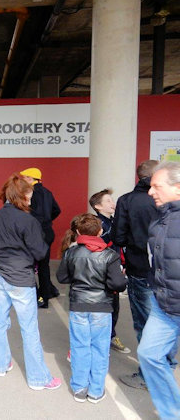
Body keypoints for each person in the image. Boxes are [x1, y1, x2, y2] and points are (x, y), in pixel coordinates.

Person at [0, 173, 61, 391]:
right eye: (29, 195)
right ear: (20, 196)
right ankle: (39, 378)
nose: (31, 200)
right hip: (21, 277)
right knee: (29, 329)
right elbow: (40, 251)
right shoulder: (28, 221)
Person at [57, 213, 127, 403]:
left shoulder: (71, 253)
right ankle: (96, 391)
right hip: (102, 307)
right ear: (101, 231)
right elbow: (118, 284)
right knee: (100, 348)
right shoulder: (109, 255)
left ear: (78, 231)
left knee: (80, 346)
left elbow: (62, 278)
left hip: (78, 305)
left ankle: (79, 388)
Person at [112, 160, 165, 390]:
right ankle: (162, 366)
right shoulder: (169, 200)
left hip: (139, 268)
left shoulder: (127, 200)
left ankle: (148, 376)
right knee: (166, 321)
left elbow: (119, 236)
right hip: (168, 272)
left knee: (145, 323)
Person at [138, 161, 180, 419]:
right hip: (163, 307)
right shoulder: (159, 222)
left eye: (156, 186)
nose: (151, 191)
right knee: (148, 354)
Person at [89, 188, 130, 354]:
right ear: (98, 207)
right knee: (105, 306)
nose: (113, 204)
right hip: (104, 272)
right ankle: (104, 338)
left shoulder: (113, 221)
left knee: (114, 306)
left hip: (114, 269)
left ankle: (110, 336)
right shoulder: (97, 226)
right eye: (108, 201)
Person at [20, 167, 61, 309]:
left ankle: (40, 297)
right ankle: (47, 292)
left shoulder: (30, 194)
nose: (22, 180)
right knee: (44, 266)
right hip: (47, 232)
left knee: (29, 266)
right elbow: (57, 210)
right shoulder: (48, 193)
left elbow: (31, 215)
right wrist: (48, 220)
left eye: (24, 178)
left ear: (31, 179)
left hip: (35, 234)